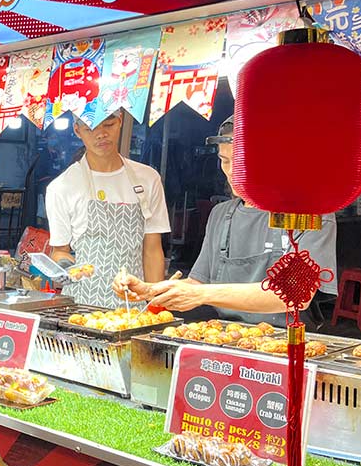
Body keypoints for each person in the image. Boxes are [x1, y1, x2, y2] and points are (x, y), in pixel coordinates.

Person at [115, 116, 338, 325]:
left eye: (241, 162)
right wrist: (151, 290)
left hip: (288, 343)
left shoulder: (310, 215)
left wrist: (201, 294)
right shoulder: (221, 215)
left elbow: (295, 294)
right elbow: (197, 283)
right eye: (224, 161)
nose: (231, 171)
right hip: (225, 338)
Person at [45, 110, 170, 307]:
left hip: (133, 307)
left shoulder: (148, 179)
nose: (101, 134)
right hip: (81, 305)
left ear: (120, 121)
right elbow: (59, 251)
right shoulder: (61, 187)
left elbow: (152, 250)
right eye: (90, 128)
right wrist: (65, 266)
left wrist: (155, 307)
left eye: (108, 125)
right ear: (77, 130)